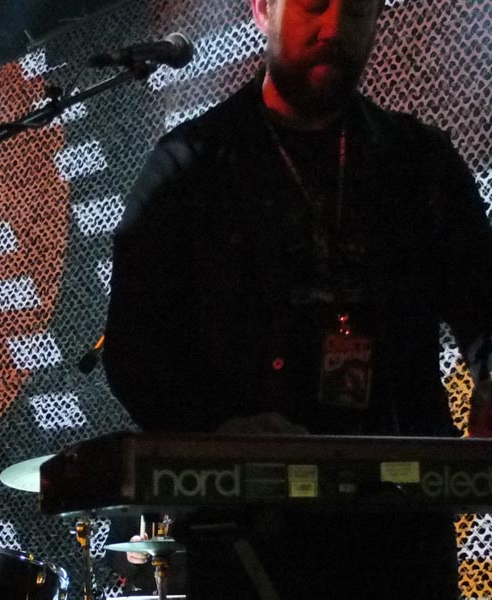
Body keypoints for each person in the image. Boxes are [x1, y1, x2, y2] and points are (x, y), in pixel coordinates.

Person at [103, 0, 492, 598]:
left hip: (402, 523)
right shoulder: (191, 166)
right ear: (263, 10)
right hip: (251, 528)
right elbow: (135, 347)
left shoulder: (420, 162)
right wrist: (217, 429)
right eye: (314, 6)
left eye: (356, 12)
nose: (334, 29)